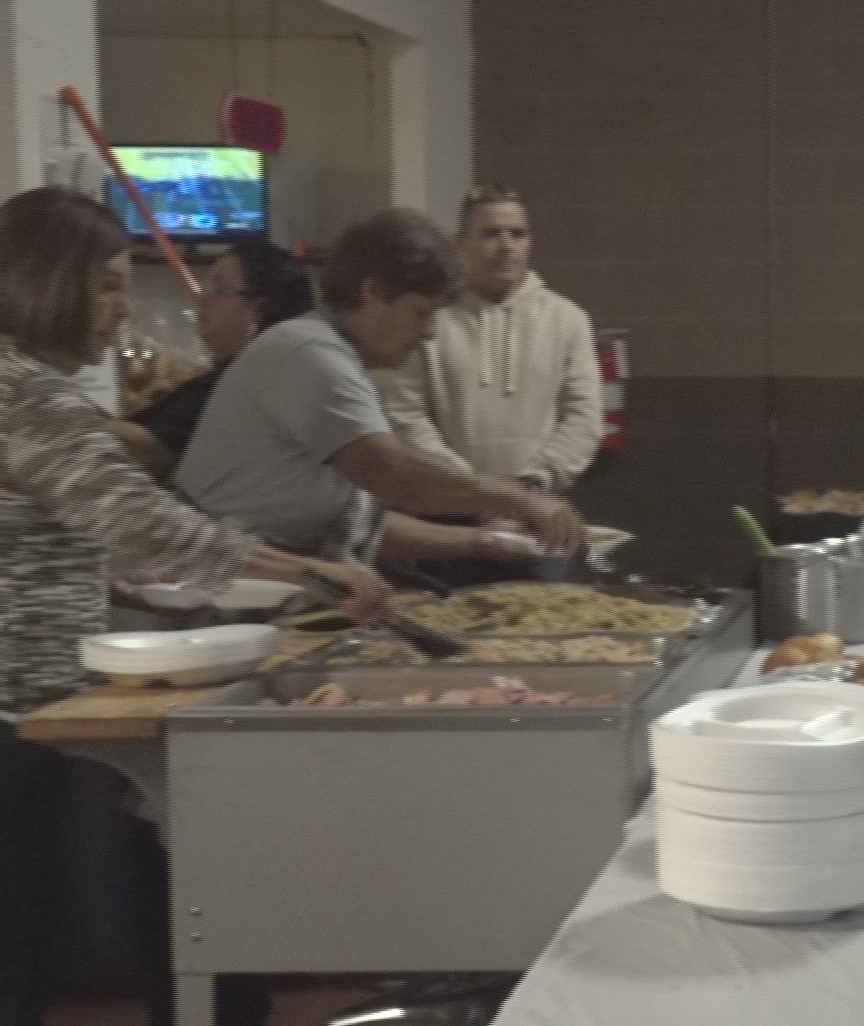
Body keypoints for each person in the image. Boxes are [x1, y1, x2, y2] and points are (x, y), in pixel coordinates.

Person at [0, 185, 389, 1026]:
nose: (119, 310)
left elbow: (53, 530)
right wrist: (314, 574)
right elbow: (147, 522)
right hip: (10, 708)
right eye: (107, 284)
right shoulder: (31, 392)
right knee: (14, 941)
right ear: (51, 282)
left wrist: (114, 583)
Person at [176, 208, 585, 573]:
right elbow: (393, 473)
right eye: (422, 313)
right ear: (373, 293)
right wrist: (518, 500)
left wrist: (481, 542)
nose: (428, 334)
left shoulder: (333, 354)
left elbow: (356, 520)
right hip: (211, 587)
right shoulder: (311, 354)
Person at [372, 185, 604, 585]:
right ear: (461, 243)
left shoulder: (569, 320)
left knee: (544, 637)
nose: (506, 246)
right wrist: (475, 494)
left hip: (538, 522)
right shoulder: (430, 315)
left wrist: (530, 486)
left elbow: (583, 419)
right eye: (491, 233)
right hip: (446, 524)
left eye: (518, 234)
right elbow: (405, 416)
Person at [109, 241, 314, 479]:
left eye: (219, 289)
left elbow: (153, 452)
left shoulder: (241, 385)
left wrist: (70, 413)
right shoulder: (227, 376)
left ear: (258, 309)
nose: (202, 299)